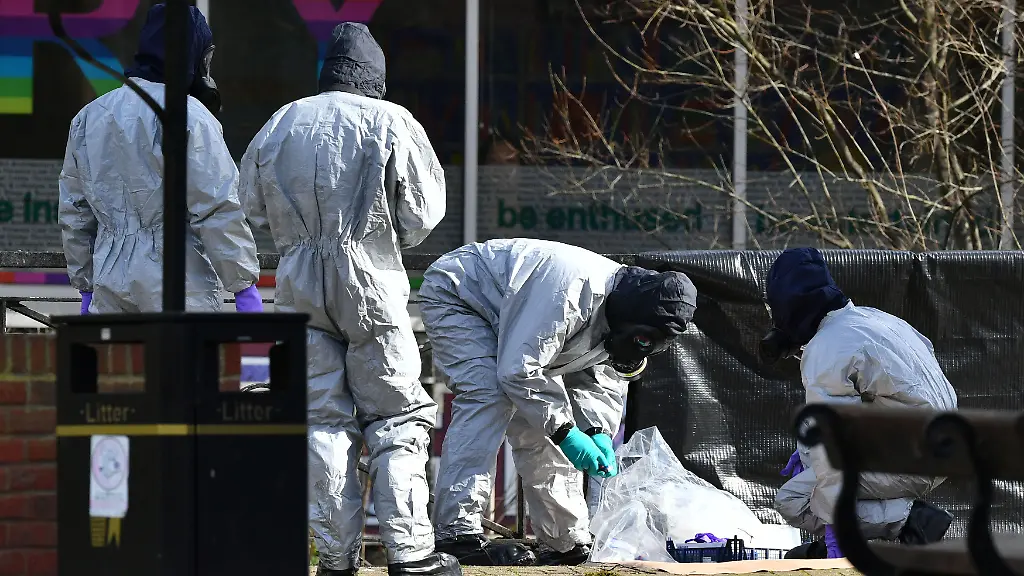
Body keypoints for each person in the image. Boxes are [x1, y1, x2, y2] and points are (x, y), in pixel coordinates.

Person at [239, 23, 456, 576]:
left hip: (298, 284)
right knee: (397, 415)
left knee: (320, 421)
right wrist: (379, 238)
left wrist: (297, 236)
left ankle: (336, 559)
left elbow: (250, 205)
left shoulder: (282, 121)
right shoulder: (391, 121)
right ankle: (410, 553)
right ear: (375, 77)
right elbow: (423, 216)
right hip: (371, 282)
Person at [418, 238, 697, 566]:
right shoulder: (568, 292)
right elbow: (519, 371)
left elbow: (600, 378)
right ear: (629, 319)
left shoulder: (628, 316)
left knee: (543, 423)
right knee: (489, 397)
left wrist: (596, 431)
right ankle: (457, 534)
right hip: (463, 294)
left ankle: (566, 540)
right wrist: (566, 431)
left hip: (518, 321)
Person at [59, 4, 262, 315]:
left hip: (109, 284)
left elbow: (75, 212)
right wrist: (244, 286)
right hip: (179, 282)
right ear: (196, 55)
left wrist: (85, 284)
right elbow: (216, 208)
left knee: (124, 364)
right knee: (182, 364)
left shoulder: (90, 117)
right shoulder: (188, 116)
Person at [759, 247, 957, 559]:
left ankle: (909, 521)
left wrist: (837, 529)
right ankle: (902, 520)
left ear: (787, 307)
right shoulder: (876, 319)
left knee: (795, 499)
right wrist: (805, 452)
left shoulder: (827, 347)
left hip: (909, 459)